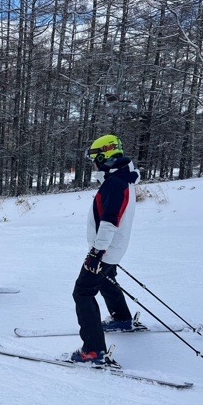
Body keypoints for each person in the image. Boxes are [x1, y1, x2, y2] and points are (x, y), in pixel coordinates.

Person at [70, 134, 141, 367]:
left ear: (104, 156)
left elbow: (110, 221)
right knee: (106, 279)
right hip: (112, 248)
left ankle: (92, 350)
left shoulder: (115, 183)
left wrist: (96, 252)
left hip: (106, 249)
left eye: (94, 158)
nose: (93, 163)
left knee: (82, 292)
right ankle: (121, 318)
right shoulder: (121, 179)